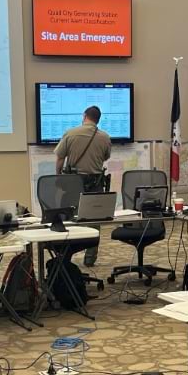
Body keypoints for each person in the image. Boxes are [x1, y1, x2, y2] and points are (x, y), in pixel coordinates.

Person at [54, 105, 112, 266]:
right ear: (98, 119)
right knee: (94, 220)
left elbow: (59, 158)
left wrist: (58, 176)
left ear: (85, 116)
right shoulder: (105, 137)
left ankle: (66, 255)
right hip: (95, 183)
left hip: (73, 183)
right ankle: (90, 258)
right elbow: (105, 157)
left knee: (69, 218)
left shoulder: (70, 133)